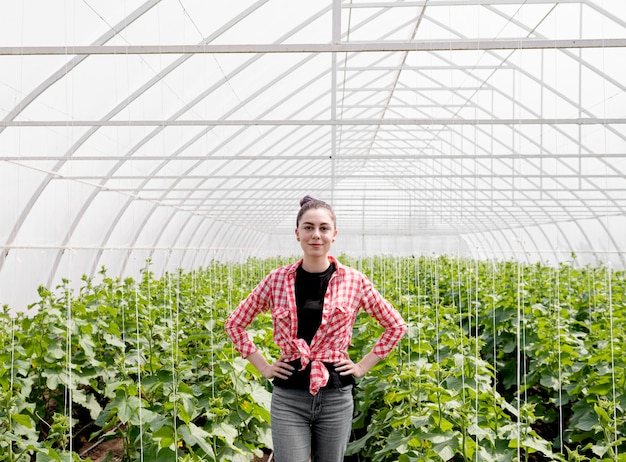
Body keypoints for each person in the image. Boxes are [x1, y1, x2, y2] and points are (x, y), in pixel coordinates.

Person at [225, 195, 407, 462]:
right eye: (308, 227)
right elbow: (235, 323)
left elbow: (395, 325)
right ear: (297, 233)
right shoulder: (277, 279)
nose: (316, 235)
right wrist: (263, 367)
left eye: (323, 228)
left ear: (334, 234)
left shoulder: (354, 281)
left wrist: (361, 367)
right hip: (289, 396)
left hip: (336, 396)